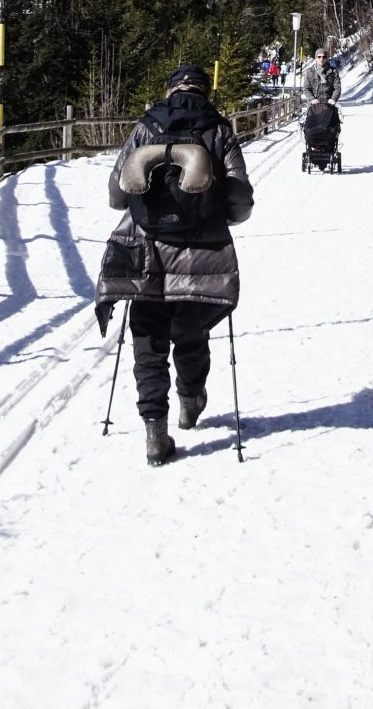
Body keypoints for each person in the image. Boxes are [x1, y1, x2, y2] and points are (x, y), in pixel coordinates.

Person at [96, 65, 253, 466]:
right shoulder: (219, 130)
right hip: (203, 253)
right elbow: (239, 199)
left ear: (170, 90)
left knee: (147, 340)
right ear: (205, 91)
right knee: (191, 332)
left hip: (145, 252)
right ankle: (190, 399)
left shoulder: (146, 126)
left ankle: (154, 433)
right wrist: (222, 216)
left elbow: (116, 194)